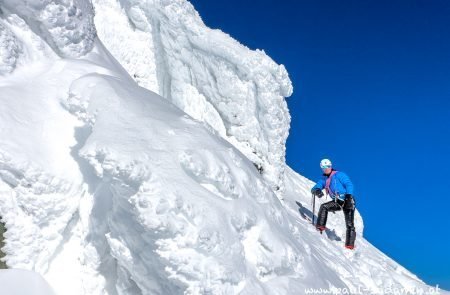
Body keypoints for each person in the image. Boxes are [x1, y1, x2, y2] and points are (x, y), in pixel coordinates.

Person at [311, 159, 356, 249]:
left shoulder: (339, 175)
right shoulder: (324, 179)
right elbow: (315, 187)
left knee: (349, 223)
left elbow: (349, 184)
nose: (326, 169)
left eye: (327, 166)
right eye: (323, 167)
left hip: (348, 200)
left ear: (331, 166)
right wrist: (317, 190)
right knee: (324, 207)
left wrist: (348, 197)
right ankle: (320, 227)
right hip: (337, 201)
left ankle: (350, 245)